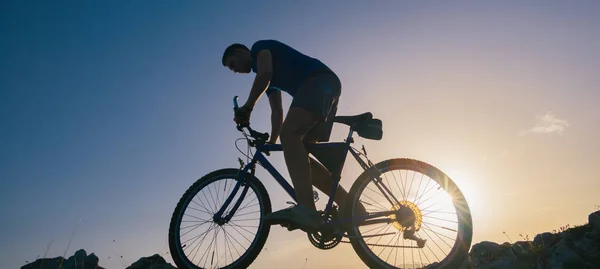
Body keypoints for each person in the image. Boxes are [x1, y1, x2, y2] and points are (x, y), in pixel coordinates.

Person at [222, 39, 346, 233]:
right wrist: (272, 142)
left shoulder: (259, 49)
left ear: (240, 51)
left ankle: (306, 209)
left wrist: (247, 108)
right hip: (326, 86)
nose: (235, 71)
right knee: (300, 150)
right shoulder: (268, 80)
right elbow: (277, 111)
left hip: (319, 81)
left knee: (290, 135)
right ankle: (349, 205)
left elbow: (264, 74)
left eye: (233, 64)